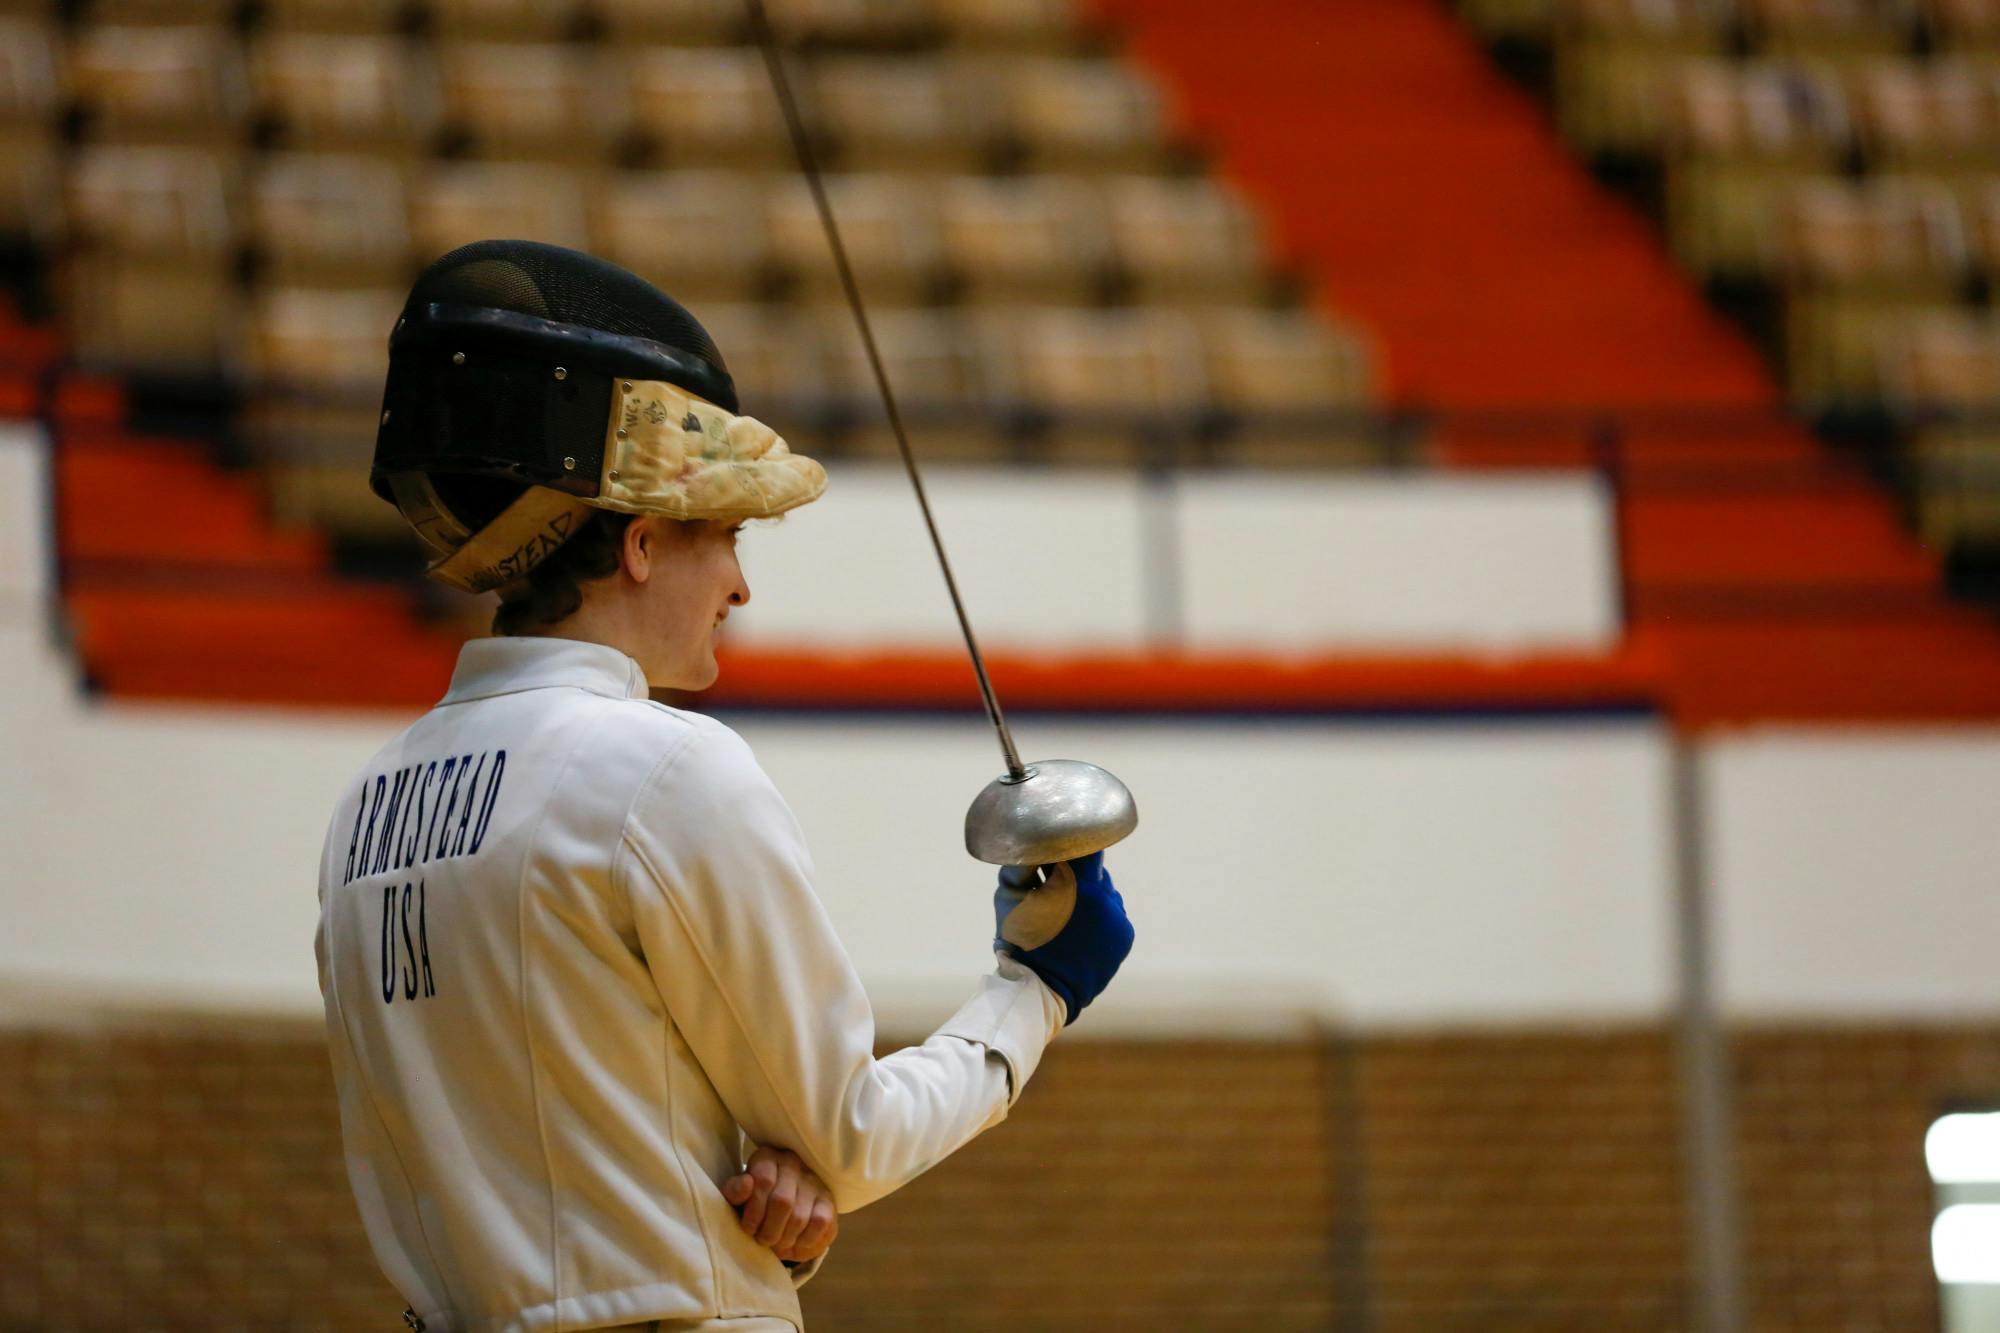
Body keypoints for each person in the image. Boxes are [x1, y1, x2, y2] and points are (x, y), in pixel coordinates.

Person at [315, 240, 1136, 1333]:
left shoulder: (369, 804)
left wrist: (750, 1207)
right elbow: (849, 1135)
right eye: (729, 536)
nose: (742, 585)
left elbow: (569, 1149)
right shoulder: (661, 767)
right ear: (643, 544)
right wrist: (1032, 991)